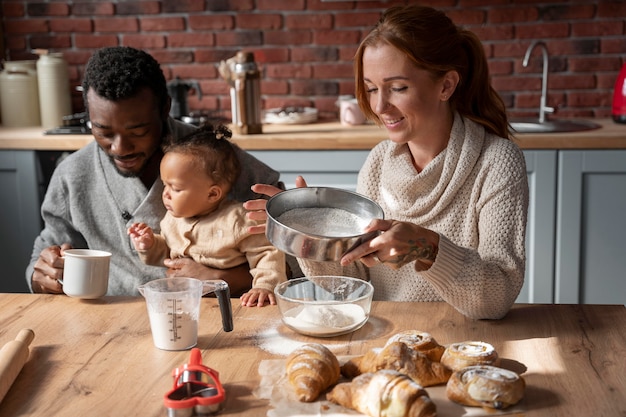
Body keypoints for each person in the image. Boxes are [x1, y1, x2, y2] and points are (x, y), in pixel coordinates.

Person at [245, 5, 529, 320]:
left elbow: (497, 298)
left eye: (397, 88)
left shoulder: (497, 162)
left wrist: (429, 248)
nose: (380, 106)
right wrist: (309, 237)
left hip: (466, 344)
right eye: (371, 89)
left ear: (446, 85)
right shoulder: (380, 160)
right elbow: (353, 289)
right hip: (386, 340)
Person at [27, 46, 281, 297]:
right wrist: (42, 276)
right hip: (111, 321)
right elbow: (44, 256)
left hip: (216, 319)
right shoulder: (72, 175)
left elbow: (290, 261)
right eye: (103, 132)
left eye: (138, 132)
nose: (120, 148)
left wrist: (223, 279)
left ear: (164, 109)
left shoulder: (215, 158)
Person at [128, 124, 286, 306]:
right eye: (165, 185)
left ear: (212, 194)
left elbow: (267, 253)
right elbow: (168, 255)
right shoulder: (172, 220)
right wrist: (150, 245)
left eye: (176, 188)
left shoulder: (238, 219)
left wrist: (264, 286)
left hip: (234, 304)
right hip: (190, 305)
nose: (166, 194)